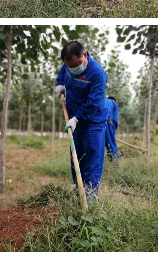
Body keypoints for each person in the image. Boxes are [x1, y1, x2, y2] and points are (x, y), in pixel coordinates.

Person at [55, 41, 108, 199]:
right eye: (70, 66)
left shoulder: (97, 73)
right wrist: (60, 84)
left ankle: (89, 198)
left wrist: (77, 118)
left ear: (84, 55)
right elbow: (63, 72)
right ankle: (79, 191)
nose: (74, 68)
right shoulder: (68, 64)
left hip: (93, 121)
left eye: (77, 64)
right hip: (74, 120)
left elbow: (94, 102)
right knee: (76, 157)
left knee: (92, 158)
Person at [104, 96, 119, 160]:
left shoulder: (101, 99)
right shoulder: (114, 103)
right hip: (108, 122)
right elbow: (115, 120)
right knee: (111, 144)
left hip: (95, 121)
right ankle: (114, 164)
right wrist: (113, 129)